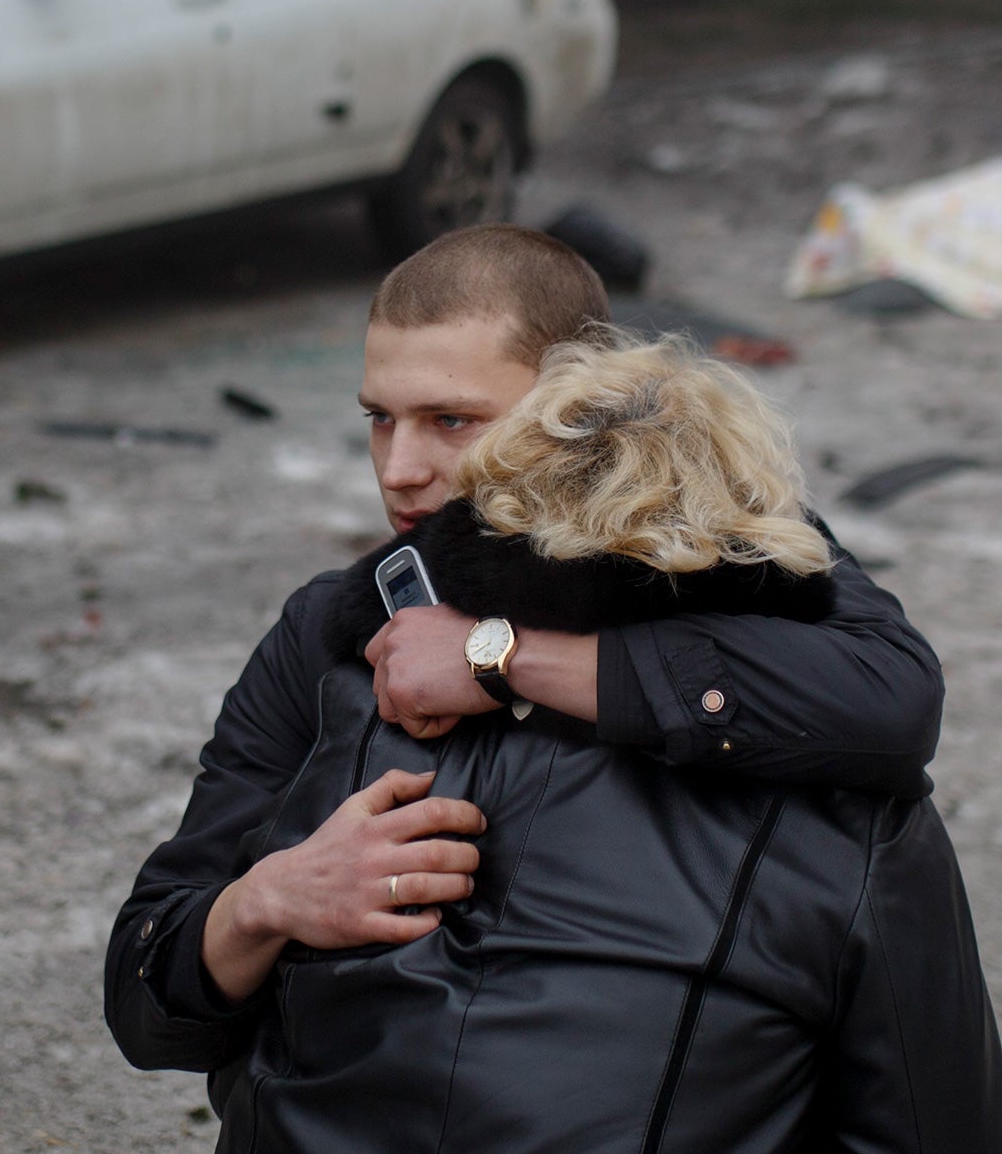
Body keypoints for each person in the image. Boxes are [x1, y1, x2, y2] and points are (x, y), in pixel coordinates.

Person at [105, 226, 1001, 1150]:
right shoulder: (327, 633)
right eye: (379, 417)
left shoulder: (788, 640)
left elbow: (894, 695)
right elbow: (142, 998)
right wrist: (267, 900)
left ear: (586, 406)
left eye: (451, 420)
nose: (398, 467)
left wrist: (498, 657)